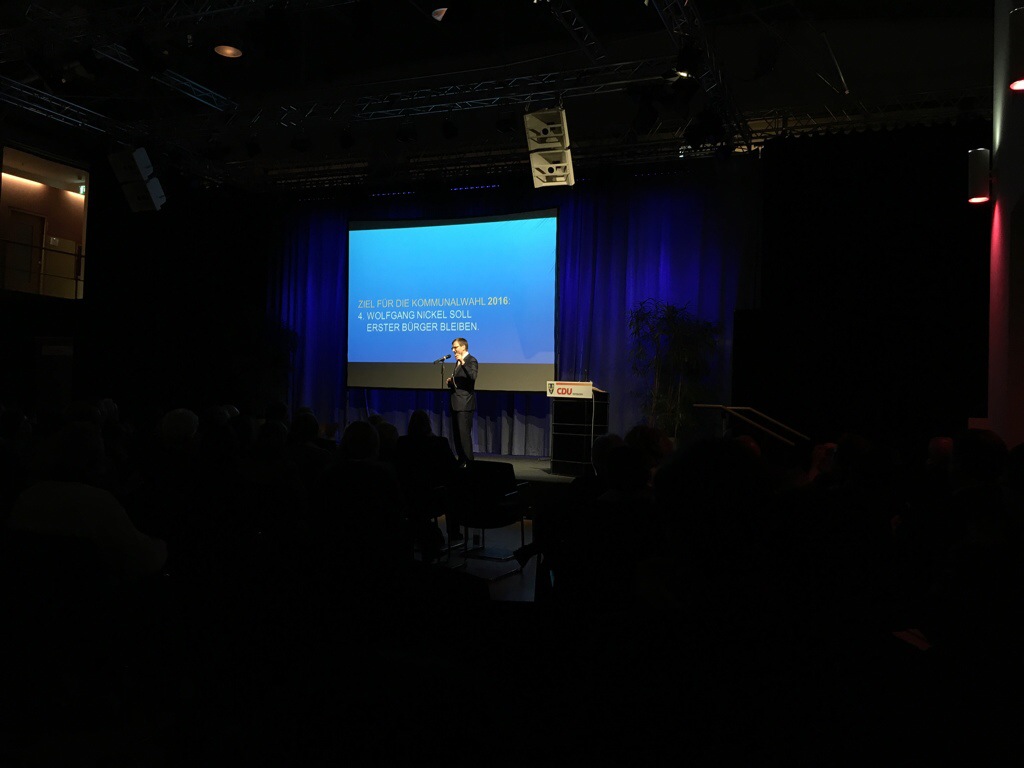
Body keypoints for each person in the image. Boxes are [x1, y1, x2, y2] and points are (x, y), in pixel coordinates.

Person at [445, 337, 478, 467]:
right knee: (457, 435)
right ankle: (461, 460)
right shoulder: (458, 361)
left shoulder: (471, 360)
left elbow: (473, 377)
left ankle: (470, 463)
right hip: (456, 403)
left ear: (463, 347)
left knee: (464, 436)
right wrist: (451, 381)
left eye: (455, 347)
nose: (453, 350)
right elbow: (462, 381)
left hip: (464, 404)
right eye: (452, 348)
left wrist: (463, 362)